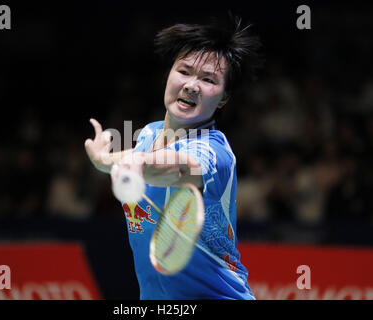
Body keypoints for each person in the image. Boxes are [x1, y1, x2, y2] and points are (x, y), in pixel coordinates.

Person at [85, 12, 262, 299]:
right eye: (185, 71)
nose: (192, 85)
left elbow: (179, 169)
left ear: (224, 97)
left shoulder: (214, 152)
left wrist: (135, 164)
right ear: (169, 74)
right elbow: (139, 154)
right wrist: (103, 159)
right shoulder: (149, 134)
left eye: (208, 79)